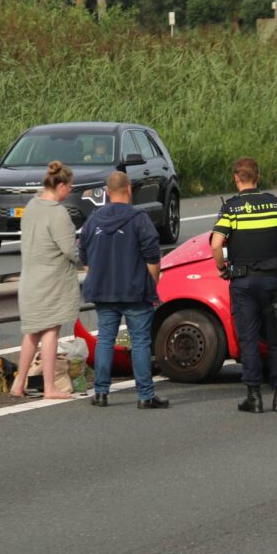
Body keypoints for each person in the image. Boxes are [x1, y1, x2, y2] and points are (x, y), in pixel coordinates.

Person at [211, 157, 277, 414]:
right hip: (269, 280)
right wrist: (276, 264)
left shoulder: (231, 208)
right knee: (276, 338)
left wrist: (221, 268)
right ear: (257, 177)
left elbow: (217, 244)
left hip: (242, 282)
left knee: (248, 339)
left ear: (236, 178)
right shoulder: (274, 204)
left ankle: (254, 396)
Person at [78, 171, 165, 409]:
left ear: (107, 192)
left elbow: (84, 254)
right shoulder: (139, 218)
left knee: (105, 339)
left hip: (104, 292)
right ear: (129, 189)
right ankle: (145, 396)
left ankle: (101, 393)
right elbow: (152, 258)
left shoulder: (94, 219)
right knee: (140, 342)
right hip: (135, 291)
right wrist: (151, 284)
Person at [12, 160, 82, 399]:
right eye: (70, 186)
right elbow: (70, 250)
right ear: (61, 185)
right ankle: (50, 387)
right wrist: (84, 256)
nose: (71, 190)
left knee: (32, 331)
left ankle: (18, 383)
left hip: (30, 279)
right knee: (51, 330)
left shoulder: (32, 205)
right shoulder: (58, 213)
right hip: (51, 281)